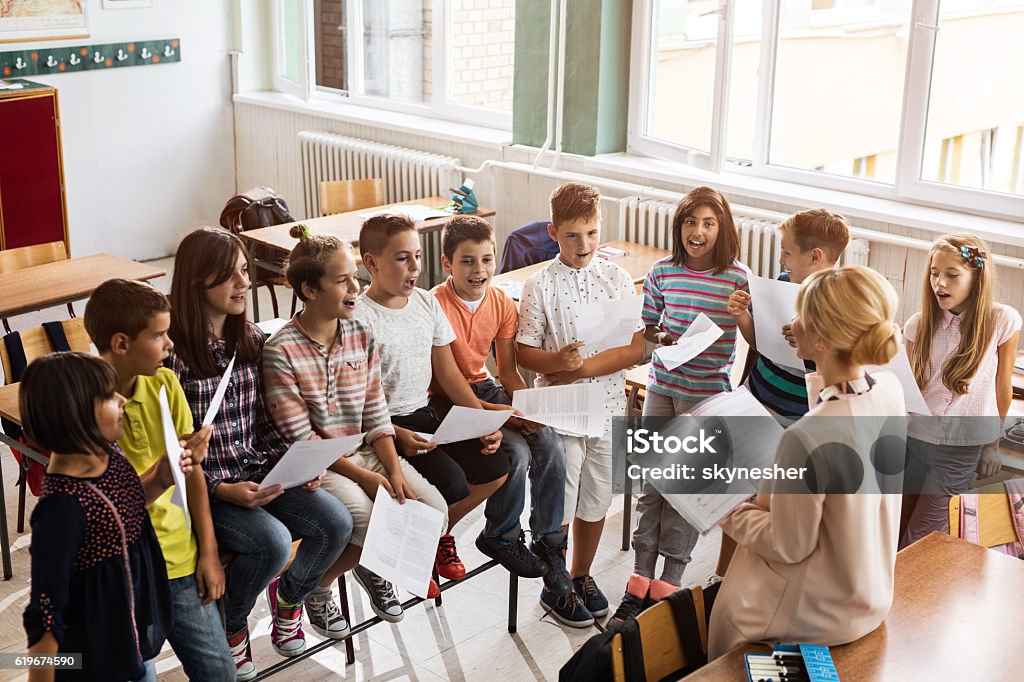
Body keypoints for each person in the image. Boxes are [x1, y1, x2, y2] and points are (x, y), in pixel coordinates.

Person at [167, 227, 352, 680]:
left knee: (336, 522)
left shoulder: (248, 338)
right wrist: (221, 489)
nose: (244, 284)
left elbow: (265, 423)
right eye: (228, 276)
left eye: (245, 271)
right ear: (196, 283)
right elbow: (169, 456)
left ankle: (287, 600)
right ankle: (232, 624)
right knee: (270, 541)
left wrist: (296, 465)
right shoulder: (171, 354)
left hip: (255, 471)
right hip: (204, 490)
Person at [708, 265, 906, 658]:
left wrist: (728, 504)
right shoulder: (889, 391)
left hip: (813, 614)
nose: (792, 323)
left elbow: (788, 544)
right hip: (870, 594)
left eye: (800, 315)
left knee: (723, 612)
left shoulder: (806, 437)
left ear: (820, 337)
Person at [263, 226, 449, 628]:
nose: (355, 286)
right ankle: (306, 587)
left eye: (355, 277)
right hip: (319, 466)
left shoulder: (361, 334)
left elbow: (376, 412)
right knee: (371, 522)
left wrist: (394, 471)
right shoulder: (280, 352)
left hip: (365, 452)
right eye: (342, 279)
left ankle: (370, 566)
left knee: (434, 512)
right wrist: (365, 477)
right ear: (310, 290)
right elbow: (304, 441)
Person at [83, 279, 234, 680]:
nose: (170, 345)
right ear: (120, 344)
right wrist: (164, 472)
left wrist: (207, 551)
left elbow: (193, 472)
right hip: (123, 573)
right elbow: (105, 506)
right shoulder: (85, 408)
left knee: (220, 672)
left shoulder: (165, 383)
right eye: (160, 335)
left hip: (180, 561)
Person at [612, 187, 748, 625]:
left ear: (722, 229)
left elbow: (754, 339)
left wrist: (743, 316)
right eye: (691, 222)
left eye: (709, 223)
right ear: (679, 227)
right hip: (662, 385)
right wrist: (664, 339)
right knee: (653, 485)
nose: (698, 231)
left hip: (706, 394)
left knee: (683, 494)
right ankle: (638, 582)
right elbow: (650, 324)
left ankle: (667, 586)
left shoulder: (738, 278)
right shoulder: (662, 271)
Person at [353, 214, 507, 591]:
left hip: (426, 413)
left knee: (497, 467)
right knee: (452, 483)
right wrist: (396, 432)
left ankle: (431, 539)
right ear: (371, 263)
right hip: (386, 424)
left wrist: (479, 417)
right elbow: (354, 400)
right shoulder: (358, 317)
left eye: (417, 256)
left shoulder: (424, 302)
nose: (414, 267)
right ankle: (407, 550)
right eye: (402, 258)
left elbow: (449, 372)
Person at [517, 182, 644, 627]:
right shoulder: (539, 285)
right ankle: (557, 584)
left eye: (591, 233)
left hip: (608, 407)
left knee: (597, 500)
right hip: (563, 413)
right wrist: (557, 361)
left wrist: (578, 368)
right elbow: (523, 354)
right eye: (572, 235)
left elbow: (634, 348)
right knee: (562, 504)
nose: (584, 244)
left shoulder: (617, 278)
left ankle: (582, 574)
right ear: (554, 232)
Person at [22, 352, 192, 682]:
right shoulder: (61, 508)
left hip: (130, 636)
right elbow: (46, 613)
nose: (121, 399)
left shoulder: (109, 455)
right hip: (95, 661)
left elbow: (121, 511)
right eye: (108, 396)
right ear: (77, 414)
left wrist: (160, 477)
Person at [431, 216, 574, 601]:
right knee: (516, 451)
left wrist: (523, 407)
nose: (479, 270)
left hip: (482, 387)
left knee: (548, 439)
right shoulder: (434, 305)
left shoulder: (499, 302)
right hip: (442, 397)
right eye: (467, 261)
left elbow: (508, 373)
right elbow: (446, 380)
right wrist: (495, 417)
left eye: (487, 260)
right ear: (447, 264)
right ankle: (501, 534)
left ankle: (550, 541)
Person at [900, 233, 1021, 546]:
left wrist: (992, 444)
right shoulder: (917, 324)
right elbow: (907, 388)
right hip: (912, 441)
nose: (940, 283)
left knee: (920, 536)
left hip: (957, 450)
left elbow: (1002, 387)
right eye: (934, 273)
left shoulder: (1001, 321)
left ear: (976, 277)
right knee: (895, 527)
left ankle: (906, 591)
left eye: (952, 275)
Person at [728, 208, 851, 425]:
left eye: (787, 253)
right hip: (755, 400)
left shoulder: (842, 305)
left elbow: (844, 373)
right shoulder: (783, 282)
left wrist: (812, 346)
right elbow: (760, 344)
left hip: (796, 419)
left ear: (815, 256)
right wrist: (741, 315)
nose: (781, 260)